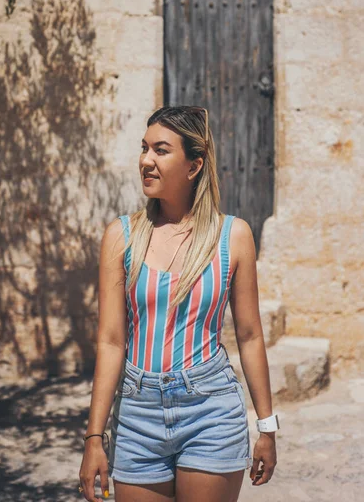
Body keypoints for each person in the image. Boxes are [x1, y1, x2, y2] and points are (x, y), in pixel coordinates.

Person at [79, 105, 278, 502]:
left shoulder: (232, 236)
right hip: (138, 415)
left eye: (161, 150)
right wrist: (94, 437)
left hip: (211, 411)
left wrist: (267, 428)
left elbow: (251, 336)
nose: (145, 160)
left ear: (194, 166)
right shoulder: (121, 236)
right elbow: (111, 342)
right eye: (144, 148)